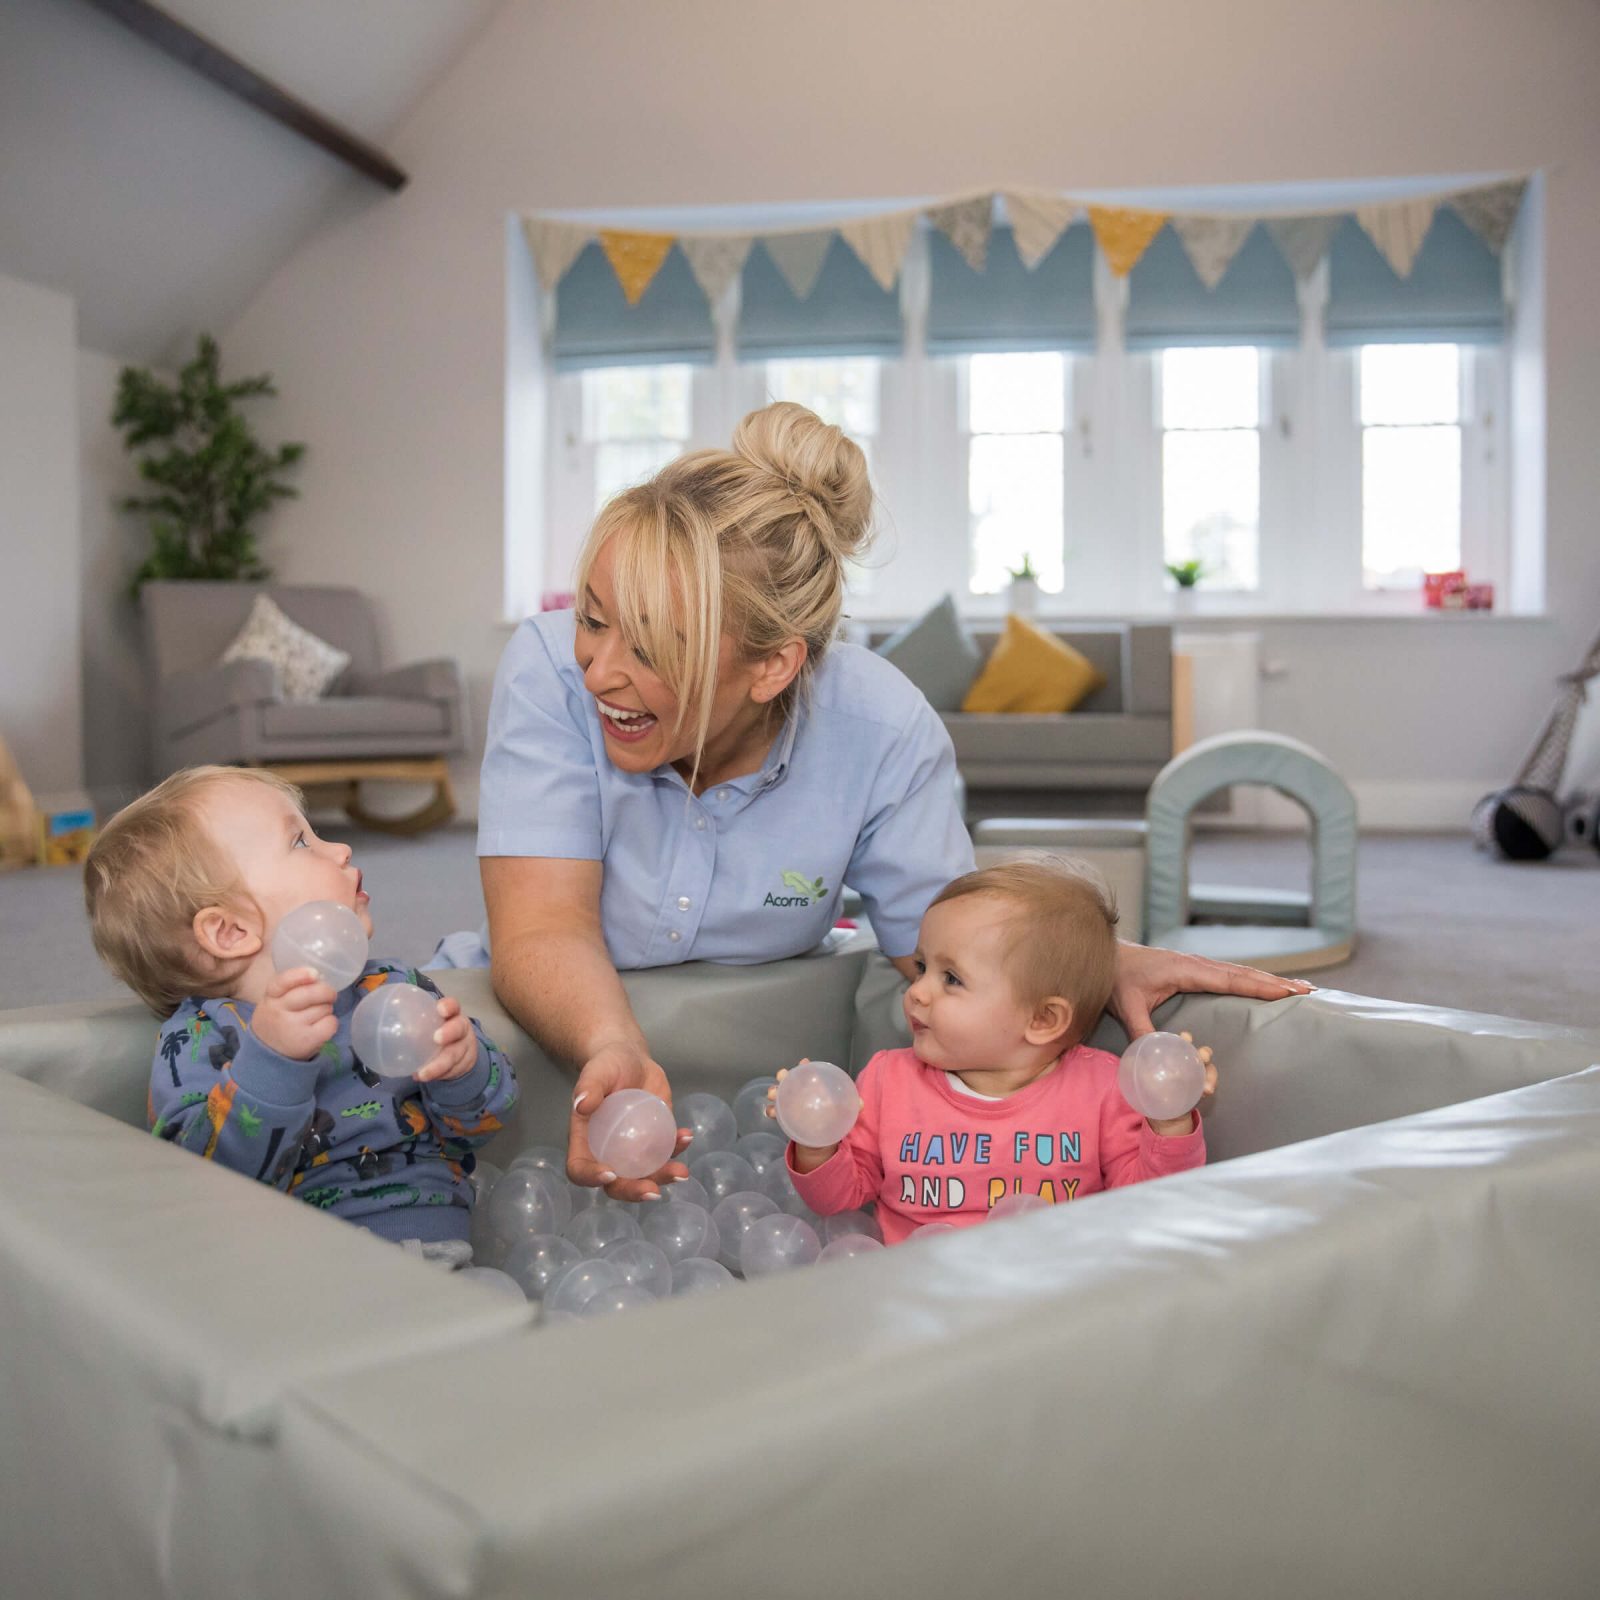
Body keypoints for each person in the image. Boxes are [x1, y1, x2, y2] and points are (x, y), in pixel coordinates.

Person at [471, 400, 1302, 1202]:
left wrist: (1085, 960)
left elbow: (939, 945)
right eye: (591, 617)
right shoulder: (548, 672)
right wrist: (611, 1042)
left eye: (649, 647)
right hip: (561, 1030)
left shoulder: (881, 727)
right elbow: (543, 925)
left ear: (772, 667)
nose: (600, 668)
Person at [84, 766, 516, 1250]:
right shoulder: (198, 1042)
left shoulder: (394, 988)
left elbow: (479, 1128)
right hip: (301, 1277)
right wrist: (273, 1060)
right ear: (230, 931)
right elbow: (199, 1190)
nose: (341, 849)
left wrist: (464, 1067)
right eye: (301, 843)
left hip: (442, 1259)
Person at [781, 859, 1212, 1243]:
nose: (917, 992)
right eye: (921, 967)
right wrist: (815, 1139)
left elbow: (1147, 1201)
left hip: (1049, 1296)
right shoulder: (886, 1081)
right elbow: (837, 1202)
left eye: (951, 978)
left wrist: (1168, 1119)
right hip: (921, 1295)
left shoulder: (1103, 1088)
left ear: (1042, 1020)